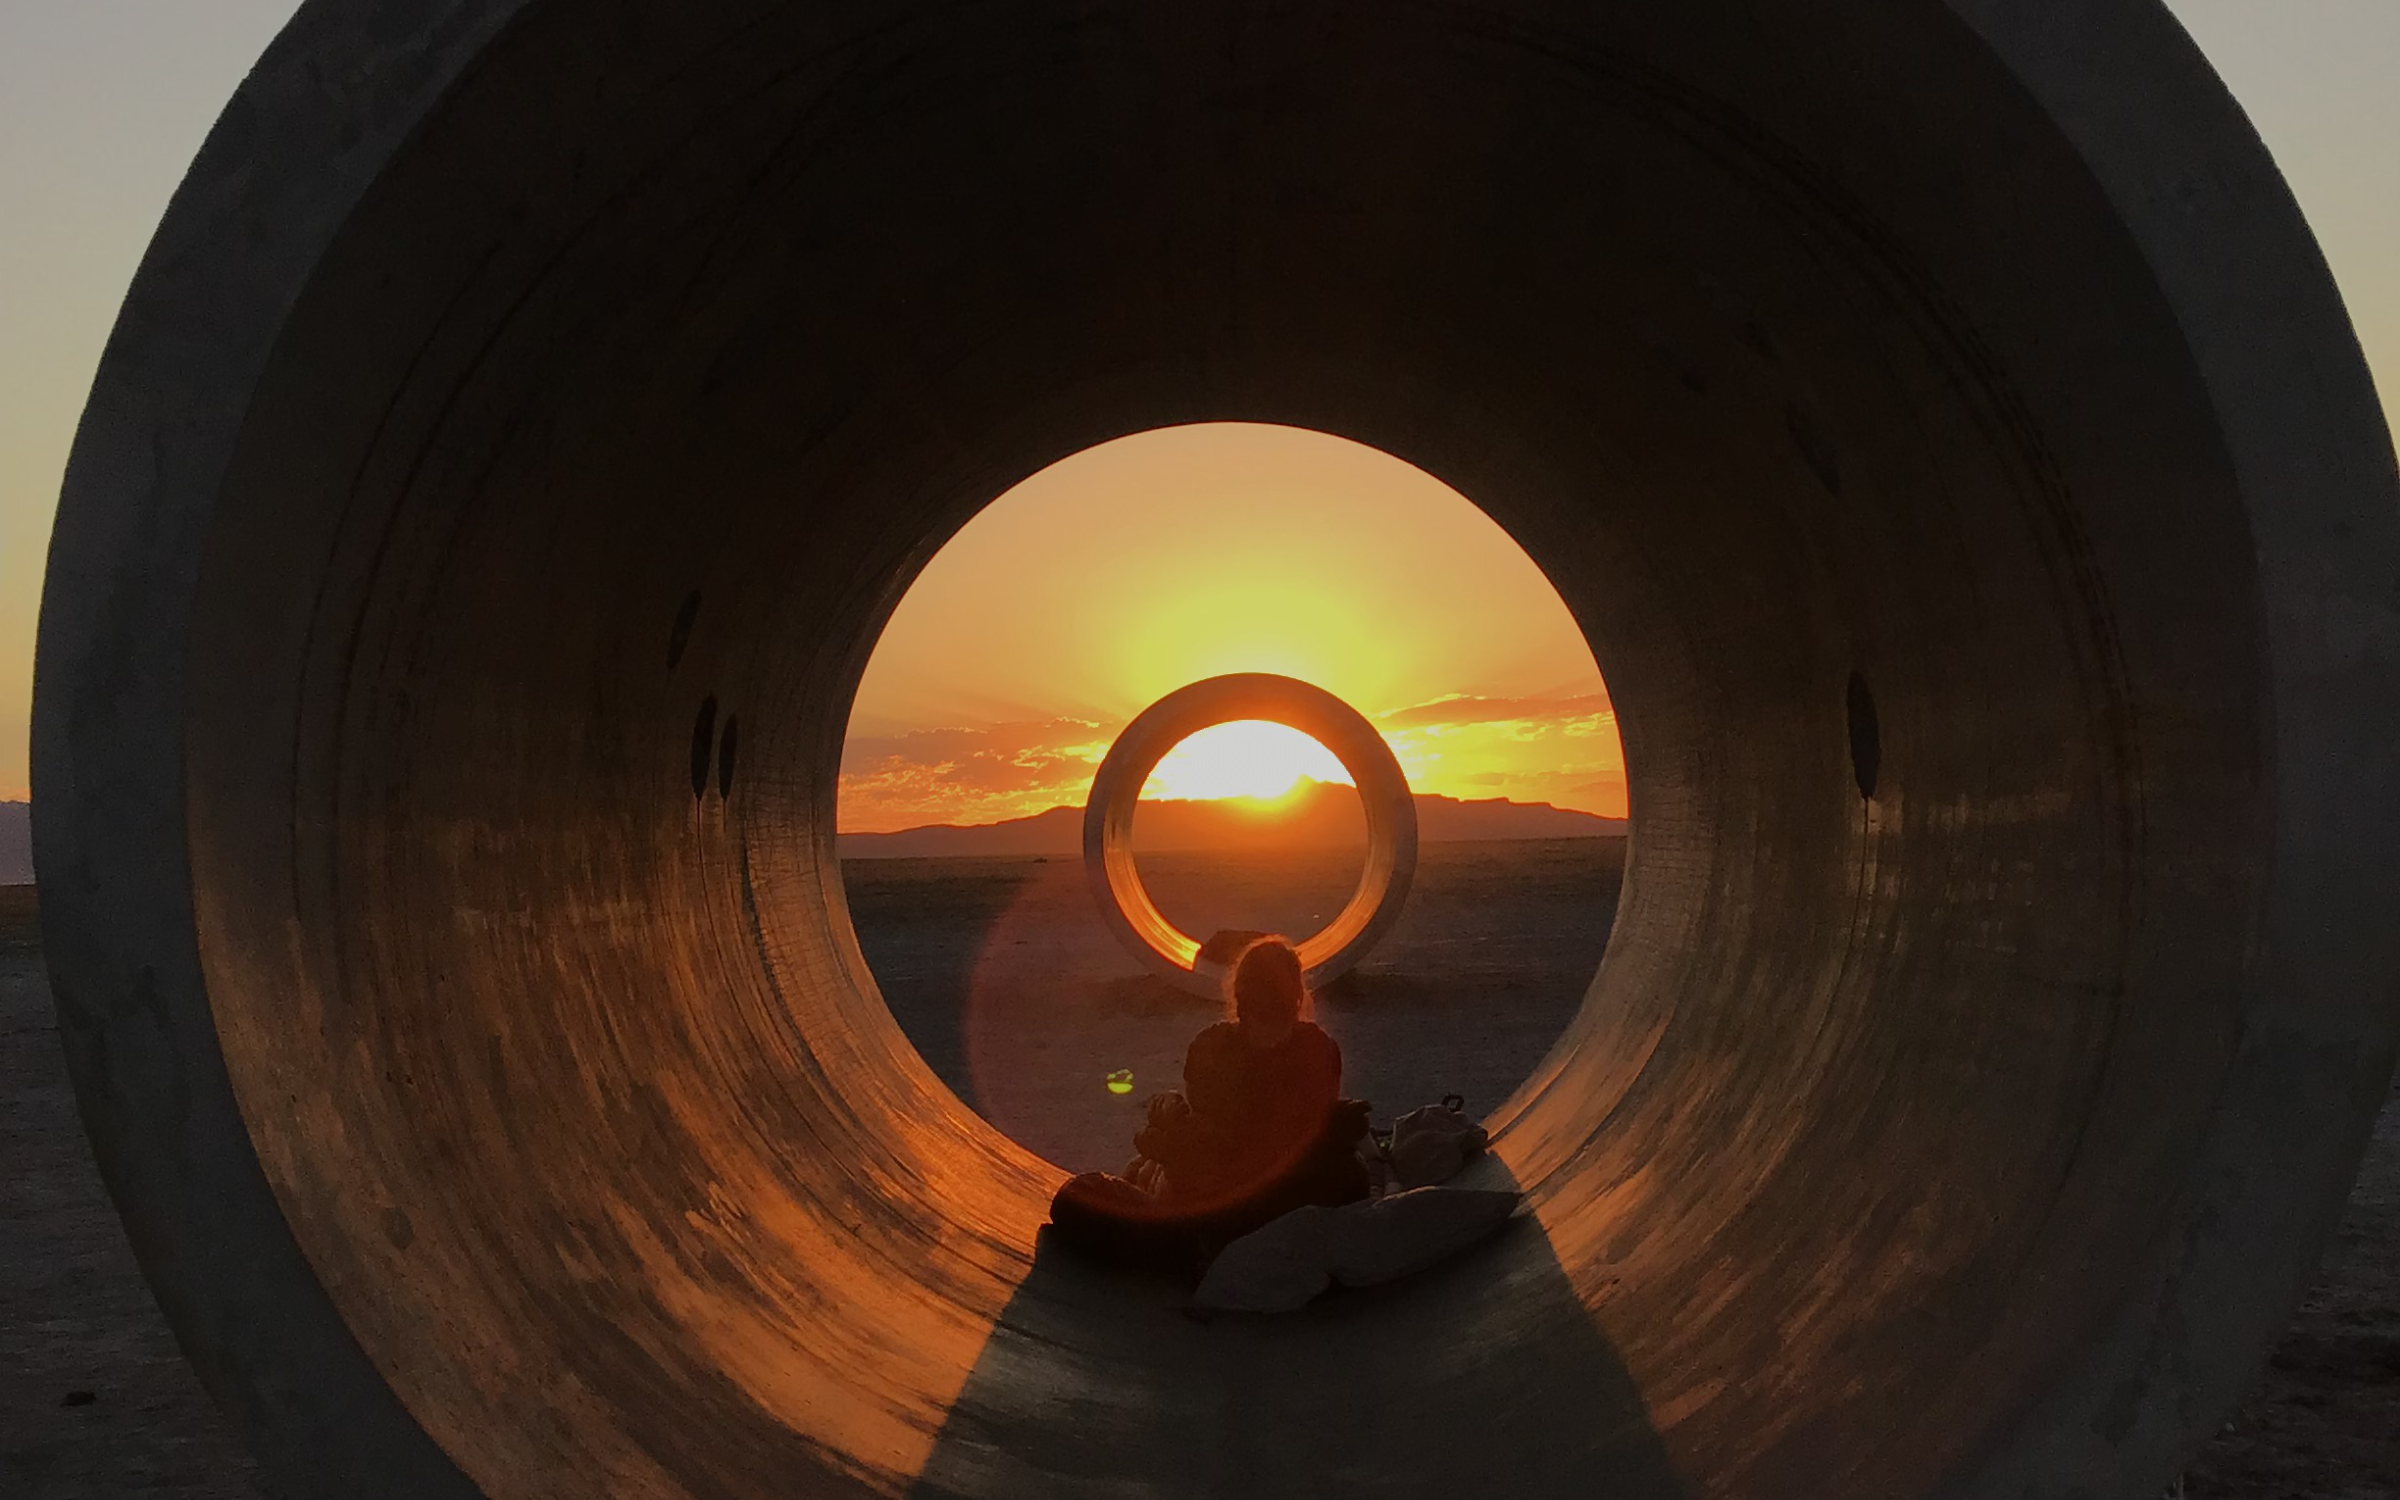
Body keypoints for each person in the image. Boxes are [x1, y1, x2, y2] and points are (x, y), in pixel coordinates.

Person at [1049, 936, 1370, 1271]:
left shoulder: (1304, 1050)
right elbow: (1210, 1130)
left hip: (1247, 1191)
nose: (1268, 1036)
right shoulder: (1226, 1047)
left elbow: (1268, 1138)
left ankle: (1198, 1239)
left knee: (1340, 1174)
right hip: (1234, 1187)